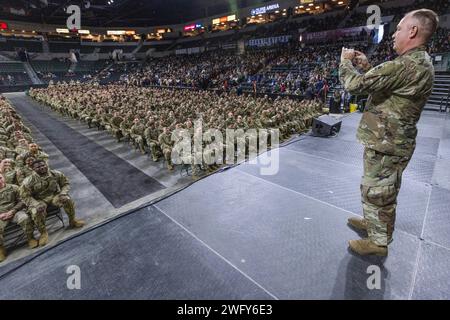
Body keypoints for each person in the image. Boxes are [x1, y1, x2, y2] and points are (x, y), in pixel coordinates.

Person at [339, 9, 438, 256]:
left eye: (400, 28)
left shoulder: (404, 64)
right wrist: (366, 65)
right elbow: (389, 85)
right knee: (377, 189)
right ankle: (374, 224)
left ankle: (378, 243)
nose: (394, 34)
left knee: (379, 192)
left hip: (388, 142)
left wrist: (345, 62)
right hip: (386, 139)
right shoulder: (418, 62)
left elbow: (354, 86)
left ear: (413, 31)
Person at [19, 159, 85, 247]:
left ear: (46, 165)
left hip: (54, 196)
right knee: (36, 211)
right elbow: (25, 196)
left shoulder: (55, 174)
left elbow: (65, 183)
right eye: (38, 167)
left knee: (67, 199)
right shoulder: (28, 181)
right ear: (33, 169)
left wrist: (63, 193)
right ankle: (43, 233)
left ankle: (72, 221)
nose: (42, 167)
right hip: (39, 200)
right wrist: (36, 204)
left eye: (43, 165)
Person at [0, 173, 38, 262]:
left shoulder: (14, 187)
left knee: (24, 218)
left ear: (4, 177)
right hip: (1, 215)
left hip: (15, 211)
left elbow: (22, 201)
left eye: (0, 178)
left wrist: (12, 211)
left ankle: (31, 238)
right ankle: (1, 249)